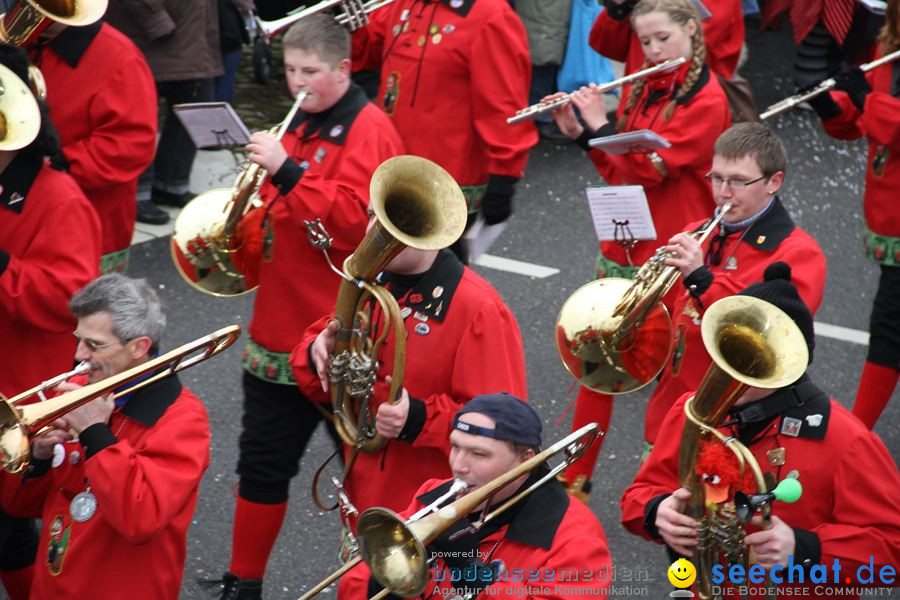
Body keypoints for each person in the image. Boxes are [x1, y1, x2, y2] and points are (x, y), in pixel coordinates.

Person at [216, 14, 404, 600]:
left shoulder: (370, 131)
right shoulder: (294, 127)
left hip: (340, 337)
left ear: (345, 69)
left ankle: (371, 583)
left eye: (312, 73)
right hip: (276, 332)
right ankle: (242, 583)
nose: (299, 84)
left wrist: (288, 171)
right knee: (261, 466)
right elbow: (273, 215)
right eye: (292, 71)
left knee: (365, 472)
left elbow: (359, 228)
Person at [620, 266, 900, 599]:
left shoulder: (846, 440)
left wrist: (805, 549)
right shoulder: (692, 413)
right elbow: (639, 494)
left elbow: (892, 552)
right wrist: (657, 512)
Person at [545, 0, 731, 500]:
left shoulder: (708, 100)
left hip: (672, 252)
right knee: (594, 363)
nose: (652, 51)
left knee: (671, 378)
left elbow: (651, 165)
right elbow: (620, 169)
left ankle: (668, 489)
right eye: (645, 42)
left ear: (691, 31)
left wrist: (601, 127)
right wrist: (585, 135)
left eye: (662, 39)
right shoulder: (645, 84)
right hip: (625, 244)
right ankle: (572, 480)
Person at [0, 273, 211, 600]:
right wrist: (38, 459)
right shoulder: (83, 391)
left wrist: (95, 433)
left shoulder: (183, 420)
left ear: (139, 347)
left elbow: (140, 520)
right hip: (53, 584)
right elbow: (19, 506)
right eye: (79, 339)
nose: (80, 355)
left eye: (94, 345)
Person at [296, 235, 529, 519]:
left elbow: (504, 430)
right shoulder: (369, 288)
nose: (375, 230)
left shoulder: (480, 308)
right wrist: (317, 354)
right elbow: (312, 380)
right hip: (363, 499)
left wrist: (418, 418)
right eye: (371, 215)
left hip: (433, 512)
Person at [641, 123, 827, 447]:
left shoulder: (798, 253)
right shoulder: (699, 232)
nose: (723, 192)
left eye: (739, 181)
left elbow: (762, 335)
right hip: (670, 414)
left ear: (774, 182)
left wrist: (702, 280)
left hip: (730, 426)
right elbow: (669, 318)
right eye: (716, 178)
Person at [339, 393, 614, 600]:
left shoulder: (576, 540)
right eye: (455, 447)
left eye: (479, 454)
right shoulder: (433, 493)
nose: (458, 465)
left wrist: (474, 575)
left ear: (525, 460)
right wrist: (386, 583)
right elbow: (357, 577)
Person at [0, 43, 102, 600]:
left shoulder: (60, 199)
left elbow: (69, 297)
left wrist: (3, 270)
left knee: (10, 528)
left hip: (16, 386)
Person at [351, 0, 538, 236]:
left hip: (446, 181)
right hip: (391, 170)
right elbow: (367, 52)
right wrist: (350, 22)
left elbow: (504, 105)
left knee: (433, 271)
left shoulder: (491, 15)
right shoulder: (403, 3)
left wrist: (504, 179)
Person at [806, 0, 900, 430]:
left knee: (888, 328)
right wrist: (832, 103)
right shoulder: (890, 52)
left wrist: (867, 98)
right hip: (890, 219)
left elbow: (886, 120)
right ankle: (859, 427)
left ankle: (858, 428)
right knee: (889, 328)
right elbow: (862, 119)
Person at [30, 20, 158, 272]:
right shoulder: (22, 40)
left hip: (87, 212)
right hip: (24, 206)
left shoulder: (120, 57)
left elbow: (131, 145)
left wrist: (53, 168)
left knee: (80, 306)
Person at [105, 0, 223, 226]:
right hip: (145, 31)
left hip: (193, 32)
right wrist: (156, 19)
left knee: (195, 110)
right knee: (138, 116)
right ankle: (137, 193)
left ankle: (171, 184)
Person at [591, 0, 745, 81]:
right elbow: (608, 47)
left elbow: (696, 40)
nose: (654, 49)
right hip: (639, 98)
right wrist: (619, 6)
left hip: (690, 98)